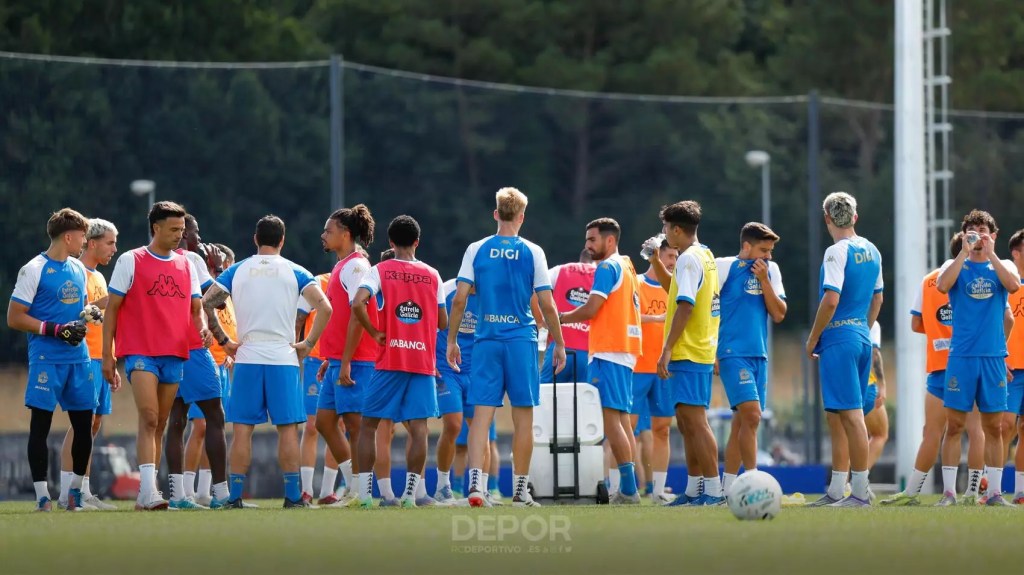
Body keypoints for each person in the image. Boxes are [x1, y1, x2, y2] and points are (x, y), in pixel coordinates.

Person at [448, 187, 566, 508]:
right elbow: (547, 303)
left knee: (481, 417)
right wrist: (559, 344)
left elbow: (460, 299)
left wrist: (451, 340)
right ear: (523, 217)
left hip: (486, 340)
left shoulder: (477, 249)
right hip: (520, 341)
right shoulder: (533, 251)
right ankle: (519, 491)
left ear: (496, 214)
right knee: (523, 419)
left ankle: (475, 487)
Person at [203, 215, 332, 508]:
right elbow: (325, 307)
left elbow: (206, 302)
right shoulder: (296, 271)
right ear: (282, 240)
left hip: (247, 356)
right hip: (283, 358)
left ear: (255, 239)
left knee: (242, 431)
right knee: (287, 430)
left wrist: (224, 341)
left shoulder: (237, 270)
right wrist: (308, 343)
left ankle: (234, 497)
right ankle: (292, 496)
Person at [103, 201, 207, 511]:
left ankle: (147, 493)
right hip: (139, 350)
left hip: (174, 352)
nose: (179, 235)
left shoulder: (186, 264)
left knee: (161, 423)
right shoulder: (130, 260)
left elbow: (196, 307)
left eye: (182, 230)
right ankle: (148, 492)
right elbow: (112, 310)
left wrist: (201, 328)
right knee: (148, 418)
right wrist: (108, 355)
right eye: (174, 229)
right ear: (156, 228)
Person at [346, 215, 447, 508]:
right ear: (417, 242)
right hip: (421, 361)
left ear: (390, 242)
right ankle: (409, 496)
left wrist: (375, 331)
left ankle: (365, 496)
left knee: (369, 426)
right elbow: (441, 320)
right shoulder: (433, 274)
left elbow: (357, 302)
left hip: (390, 358)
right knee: (419, 430)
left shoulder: (380, 270)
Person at [882, 232, 988, 506]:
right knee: (975, 430)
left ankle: (913, 492)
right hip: (971, 359)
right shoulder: (974, 278)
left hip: (940, 364)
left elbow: (916, 324)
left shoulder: (929, 280)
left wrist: (941, 335)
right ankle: (972, 492)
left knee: (933, 430)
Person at [8, 208, 94, 512]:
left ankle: (74, 494)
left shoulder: (78, 269)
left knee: (86, 426)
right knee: (40, 427)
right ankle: (42, 496)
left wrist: (88, 317)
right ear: (68, 236)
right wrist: (54, 329)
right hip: (46, 359)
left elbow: (79, 310)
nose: (85, 242)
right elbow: (14, 317)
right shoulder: (33, 269)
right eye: (83, 236)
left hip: (79, 359)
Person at [804, 192, 883, 508]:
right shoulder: (872, 250)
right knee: (837, 416)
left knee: (850, 416)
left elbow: (831, 299)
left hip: (839, 339)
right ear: (855, 217)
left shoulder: (836, 252)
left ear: (826, 218)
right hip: (861, 336)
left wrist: (813, 338)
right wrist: (862, 327)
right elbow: (877, 299)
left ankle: (860, 492)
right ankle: (837, 490)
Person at [936, 210, 1020, 506]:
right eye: (972, 230)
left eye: (983, 230)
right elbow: (942, 285)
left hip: (993, 359)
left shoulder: (1002, 267)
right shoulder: (956, 266)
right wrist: (964, 251)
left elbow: (1013, 286)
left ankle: (995, 493)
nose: (978, 235)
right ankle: (948, 494)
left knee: (995, 427)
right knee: (955, 425)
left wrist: (991, 253)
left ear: (993, 235)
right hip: (962, 357)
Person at [558, 218, 643, 504]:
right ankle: (628, 487)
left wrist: (559, 318)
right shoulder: (628, 265)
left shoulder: (607, 267)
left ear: (609, 241)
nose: (587, 246)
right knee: (620, 421)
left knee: (611, 423)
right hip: (626, 350)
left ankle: (629, 490)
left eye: (592, 240)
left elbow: (592, 308)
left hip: (609, 350)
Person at [655, 201, 723, 506]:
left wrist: (667, 348)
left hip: (689, 349)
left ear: (677, 229)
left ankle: (714, 489)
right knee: (685, 421)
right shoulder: (704, 254)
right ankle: (696, 487)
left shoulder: (687, 259)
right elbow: (678, 291)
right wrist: (656, 261)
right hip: (700, 347)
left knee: (696, 421)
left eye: (667, 228)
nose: (665, 234)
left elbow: (685, 305)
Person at [715, 223, 787, 497]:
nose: (767, 256)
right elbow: (706, 309)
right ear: (746, 246)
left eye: (770, 251)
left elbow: (779, 314)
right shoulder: (724, 267)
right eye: (763, 250)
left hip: (760, 354)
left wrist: (765, 281)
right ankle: (754, 482)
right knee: (753, 417)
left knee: (741, 423)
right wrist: (712, 352)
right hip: (733, 354)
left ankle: (727, 489)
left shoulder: (772, 270)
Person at [163, 215, 227, 510]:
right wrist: (222, 270)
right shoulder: (191, 258)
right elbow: (219, 297)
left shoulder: (151, 258)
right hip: (192, 346)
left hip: (164, 348)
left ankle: (177, 495)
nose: (198, 239)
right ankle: (222, 493)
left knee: (176, 420)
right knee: (215, 416)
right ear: (181, 233)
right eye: (193, 232)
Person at [315, 205, 377, 507]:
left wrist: (348, 359)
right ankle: (354, 486)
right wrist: (332, 357)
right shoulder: (343, 265)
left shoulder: (355, 266)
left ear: (346, 234)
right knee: (324, 423)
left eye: (329, 230)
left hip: (357, 361)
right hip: (339, 359)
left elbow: (358, 312)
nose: (323, 235)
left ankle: (361, 493)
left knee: (355, 426)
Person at [56, 218, 119, 511]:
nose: (114, 249)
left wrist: (111, 357)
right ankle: (67, 490)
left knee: (93, 424)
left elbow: (104, 323)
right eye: (110, 243)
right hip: (83, 357)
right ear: (91, 243)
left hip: (100, 357)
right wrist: (115, 300)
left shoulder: (99, 277)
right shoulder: (76, 271)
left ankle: (83, 489)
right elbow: (80, 313)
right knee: (82, 424)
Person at [188, 243, 239, 506]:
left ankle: (204, 491)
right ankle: (186, 488)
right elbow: (210, 312)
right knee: (199, 426)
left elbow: (229, 324)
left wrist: (229, 353)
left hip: (222, 363)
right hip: (204, 359)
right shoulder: (207, 289)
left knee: (212, 426)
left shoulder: (228, 296)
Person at [295, 271, 347, 505]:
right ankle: (306, 490)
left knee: (339, 425)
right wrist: (296, 356)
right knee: (312, 425)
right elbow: (298, 319)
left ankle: (327, 491)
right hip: (316, 359)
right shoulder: (318, 282)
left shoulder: (358, 285)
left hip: (341, 359)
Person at [636, 236, 679, 504]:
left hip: (665, 367)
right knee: (626, 428)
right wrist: (656, 318)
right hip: (638, 365)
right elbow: (627, 316)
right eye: (670, 257)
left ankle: (658, 490)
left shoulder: (676, 287)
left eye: (676, 257)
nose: (674, 262)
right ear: (657, 256)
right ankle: (623, 487)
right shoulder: (637, 283)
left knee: (662, 429)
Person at [433, 278, 479, 505]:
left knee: (480, 430)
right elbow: (428, 325)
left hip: (476, 371)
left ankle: (479, 489)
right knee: (453, 424)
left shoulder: (491, 293)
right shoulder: (447, 290)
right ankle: (443, 487)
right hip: (446, 368)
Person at [541, 250, 594, 383]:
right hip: (587, 352)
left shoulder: (560, 270)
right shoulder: (602, 276)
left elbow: (535, 291)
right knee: (582, 400)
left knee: (547, 398)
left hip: (558, 348)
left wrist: (541, 322)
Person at [1007, 230, 1024, 504]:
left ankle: (1021, 491)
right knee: (1002, 427)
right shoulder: (1005, 284)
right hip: (1009, 367)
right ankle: (990, 488)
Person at [864, 322, 890, 471]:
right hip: (865, 384)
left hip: (838, 386)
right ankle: (856, 481)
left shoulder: (836, 314)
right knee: (880, 434)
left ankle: (840, 484)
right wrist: (882, 385)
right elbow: (874, 354)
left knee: (845, 436)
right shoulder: (871, 322)